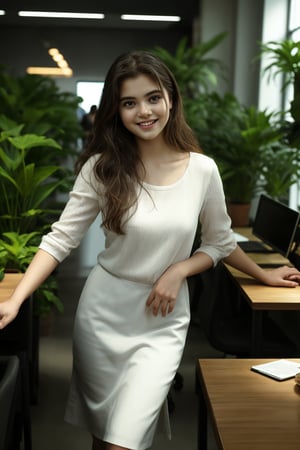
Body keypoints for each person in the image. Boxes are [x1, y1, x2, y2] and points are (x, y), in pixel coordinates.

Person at [0, 50, 299, 450]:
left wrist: (187, 271)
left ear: (170, 99)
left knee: (124, 440)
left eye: (152, 97)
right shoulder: (102, 169)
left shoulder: (202, 170)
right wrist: (16, 299)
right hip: (103, 314)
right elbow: (61, 239)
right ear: (116, 110)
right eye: (129, 102)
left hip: (161, 321)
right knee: (104, 437)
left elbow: (219, 241)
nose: (144, 111)